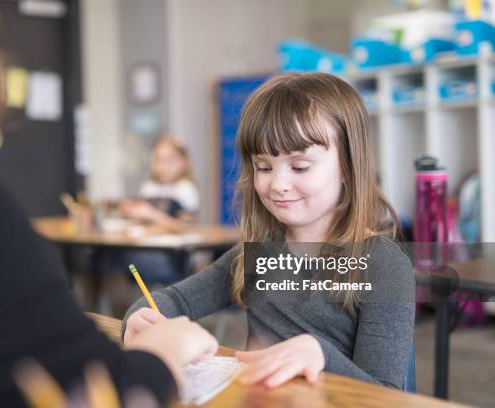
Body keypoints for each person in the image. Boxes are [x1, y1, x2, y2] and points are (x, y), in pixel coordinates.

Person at [0, 1, 218, 406]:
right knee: (105, 263)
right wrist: (165, 349)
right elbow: (104, 391)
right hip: (140, 320)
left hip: (160, 261)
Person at [123, 73, 415, 390]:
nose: (277, 185)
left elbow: (387, 395)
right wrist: (139, 318)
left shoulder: (384, 264)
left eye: (300, 167)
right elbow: (173, 300)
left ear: (348, 166)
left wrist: (320, 355)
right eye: (263, 167)